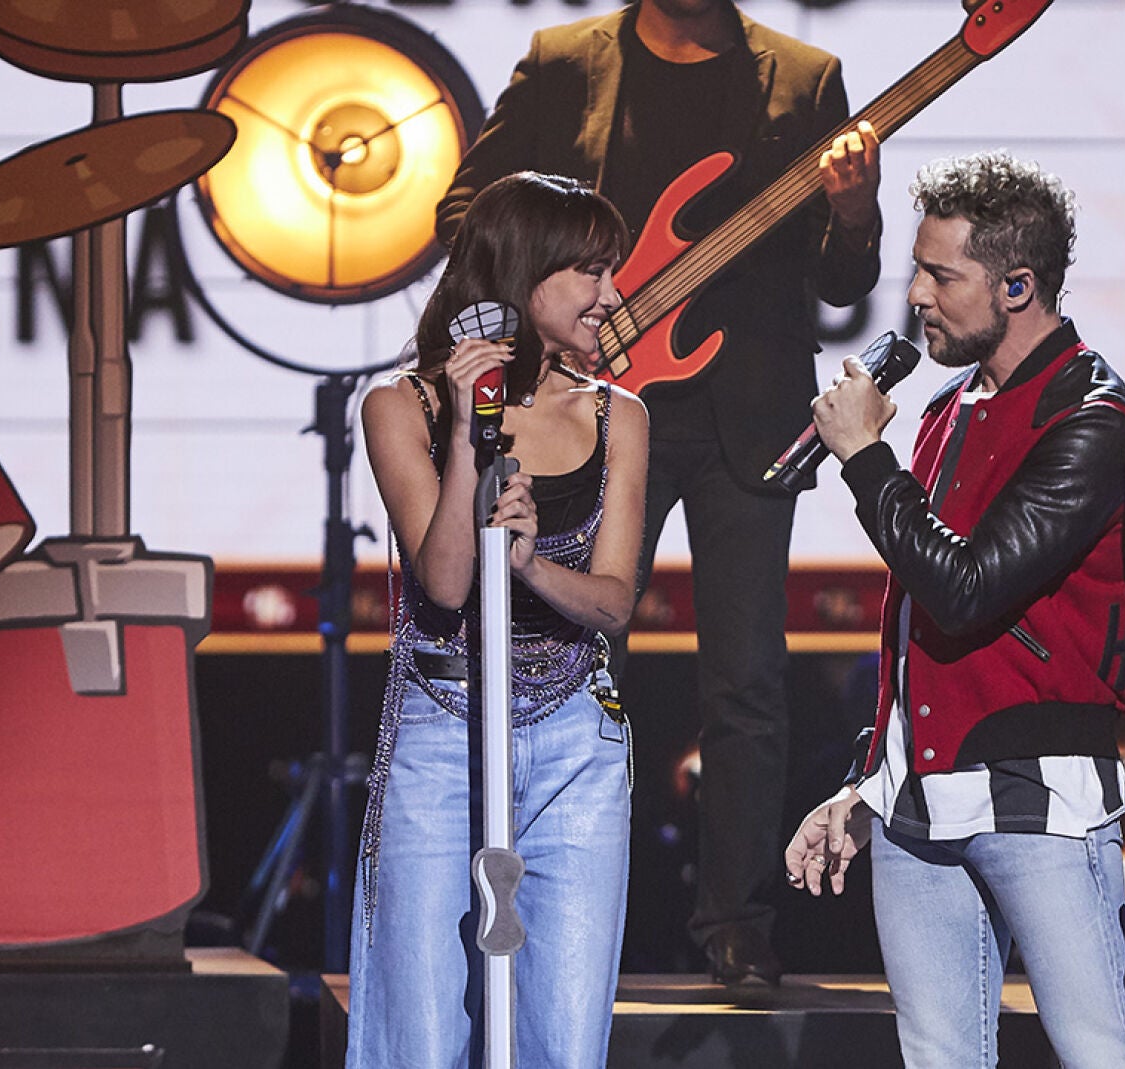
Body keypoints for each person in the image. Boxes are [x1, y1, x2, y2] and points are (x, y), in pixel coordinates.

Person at [436, 0, 882, 986]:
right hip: (587, 411)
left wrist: (857, 214)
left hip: (748, 423)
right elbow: (463, 215)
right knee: (571, 667)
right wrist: (556, 295)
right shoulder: (564, 61)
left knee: (747, 683)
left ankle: (738, 923)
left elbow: (842, 281)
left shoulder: (805, 79)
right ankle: (547, 903)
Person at [784, 151, 1125, 1068]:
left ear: (1017, 286)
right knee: (939, 1055)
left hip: (1038, 795)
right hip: (918, 803)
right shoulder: (950, 406)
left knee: (1098, 1051)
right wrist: (866, 780)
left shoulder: (1091, 415)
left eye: (941, 276)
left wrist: (866, 459)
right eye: (918, 270)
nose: (915, 296)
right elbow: (912, 624)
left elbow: (969, 588)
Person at [349, 171, 649, 1068]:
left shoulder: (618, 415)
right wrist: (463, 438)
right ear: (524, 272)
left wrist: (527, 564)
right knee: (421, 1037)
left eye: (610, 272)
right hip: (442, 732)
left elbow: (614, 599)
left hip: (575, 740)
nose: (611, 296)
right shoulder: (400, 407)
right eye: (590, 271)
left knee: (564, 1041)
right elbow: (445, 583)